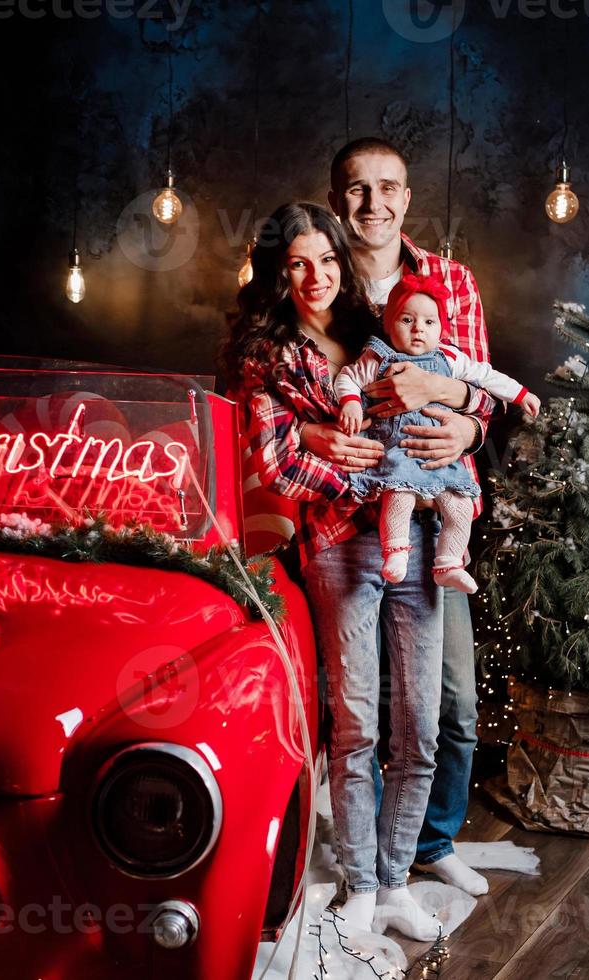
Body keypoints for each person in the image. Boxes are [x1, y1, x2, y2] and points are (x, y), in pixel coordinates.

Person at [223, 201, 445, 941]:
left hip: (413, 528)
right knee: (355, 725)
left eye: (324, 260)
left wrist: (417, 443)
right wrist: (329, 454)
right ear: (277, 274)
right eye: (296, 264)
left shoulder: (375, 329)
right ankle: (358, 882)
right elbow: (273, 461)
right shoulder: (266, 353)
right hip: (337, 542)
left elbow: (441, 385)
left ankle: (395, 879)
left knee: (419, 727)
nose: (314, 277)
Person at [317, 137, 498, 896]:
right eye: (357, 190)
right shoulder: (321, 285)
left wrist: (465, 417)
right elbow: (286, 388)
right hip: (346, 516)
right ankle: (357, 857)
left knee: (451, 699)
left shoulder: (450, 282)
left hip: (436, 513)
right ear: (337, 202)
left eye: (388, 187)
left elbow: (482, 393)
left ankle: (432, 839)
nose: (374, 204)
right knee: (357, 707)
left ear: (408, 198)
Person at [335, 273, 540, 594]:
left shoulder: (450, 357)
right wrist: (350, 403)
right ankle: (396, 554)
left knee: (460, 508)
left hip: (441, 460)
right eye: (407, 319)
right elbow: (347, 378)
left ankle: (448, 562)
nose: (419, 328)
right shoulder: (377, 358)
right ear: (389, 324)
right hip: (399, 454)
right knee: (398, 498)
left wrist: (520, 394)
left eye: (430, 322)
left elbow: (486, 376)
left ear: (441, 328)